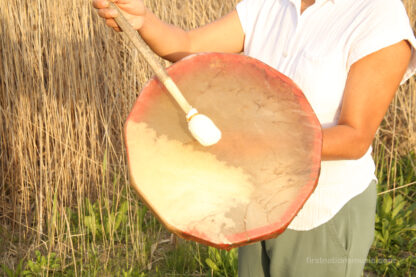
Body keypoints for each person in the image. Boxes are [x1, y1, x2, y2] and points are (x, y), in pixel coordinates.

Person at [93, 0, 416, 276]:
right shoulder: (271, 3)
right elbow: (189, 47)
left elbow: (353, 139)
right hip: (251, 202)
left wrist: (247, 145)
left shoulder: (377, 14)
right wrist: (142, 21)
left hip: (322, 212)